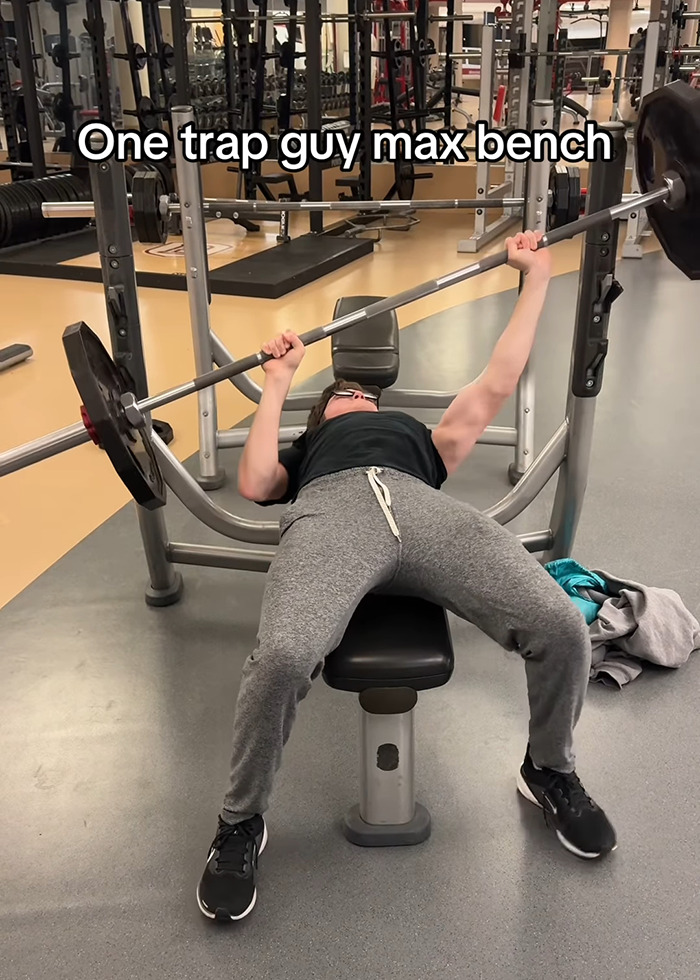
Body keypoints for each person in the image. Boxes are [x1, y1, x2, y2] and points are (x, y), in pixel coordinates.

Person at [196, 231, 617, 922]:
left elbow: (497, 381)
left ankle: (550, 769)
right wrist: (277, 382)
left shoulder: (422, 440)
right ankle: (241, 821)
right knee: (281, 658)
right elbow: (253, 480)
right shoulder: (309, 454)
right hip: (333, 518)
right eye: (341, 395)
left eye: (364, 394)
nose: (357, 393)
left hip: (426, 511)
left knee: (561, 623)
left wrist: (535, 277)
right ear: (322, 417)